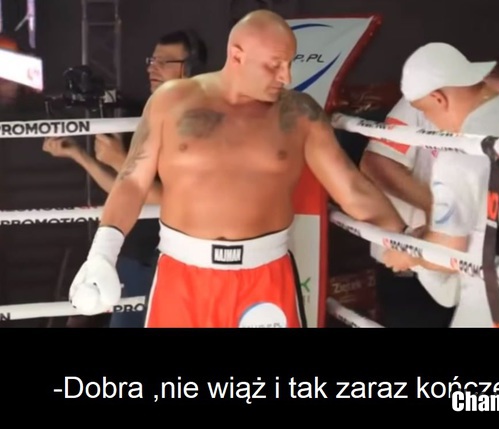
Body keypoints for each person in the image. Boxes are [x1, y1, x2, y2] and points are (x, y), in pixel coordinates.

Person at [67, 10, 407, 328]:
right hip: (181, 275)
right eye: (275, 65)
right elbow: (132, 182)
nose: (287, 76)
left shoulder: (299, 113)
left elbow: (350, 187)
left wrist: (401, 238)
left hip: (265, 278)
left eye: (289, 64)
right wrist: (102, 254)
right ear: (237, 54)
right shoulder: (171, 102)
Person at [359, 33, 499, 328]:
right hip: (418, 259)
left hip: (472, 269)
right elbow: (376, 163)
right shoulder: (426, 98)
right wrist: (437, 215)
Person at [43, 29, 208, 327]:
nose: (153, 68)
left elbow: (172, 200)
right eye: (152, 60)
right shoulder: (147, 116)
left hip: (175, 255)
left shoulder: (203, 124)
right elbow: (127, 189)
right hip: (135, 253)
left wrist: (120, 161)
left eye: (165, 61)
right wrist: (81, 156)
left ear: (190, 68)